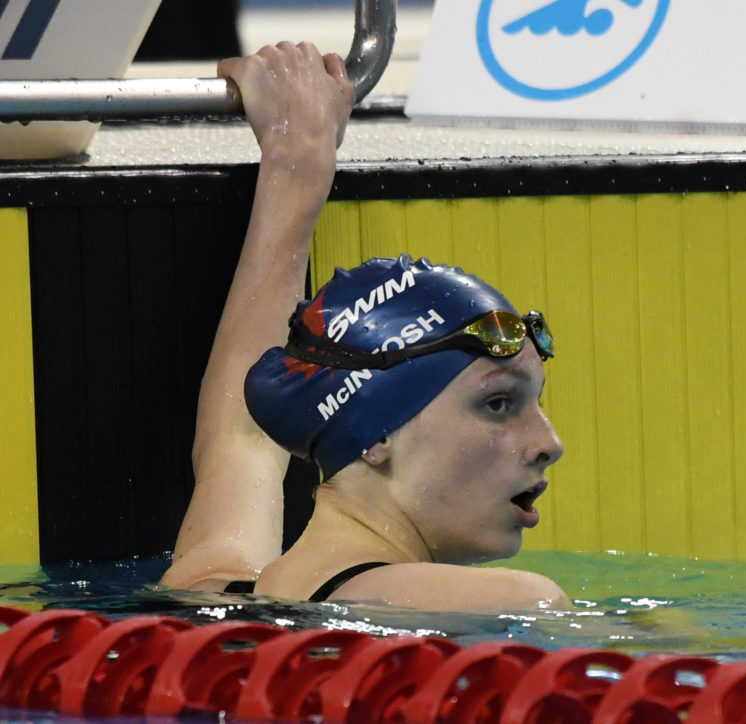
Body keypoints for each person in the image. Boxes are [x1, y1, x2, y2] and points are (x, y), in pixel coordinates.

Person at [159, 42, 569, 612]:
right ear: (378, 437)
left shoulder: (207, 583)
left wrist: (296, 161)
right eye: (498, 403)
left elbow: (242, 439)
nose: (550, 444)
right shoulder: (513, 603)